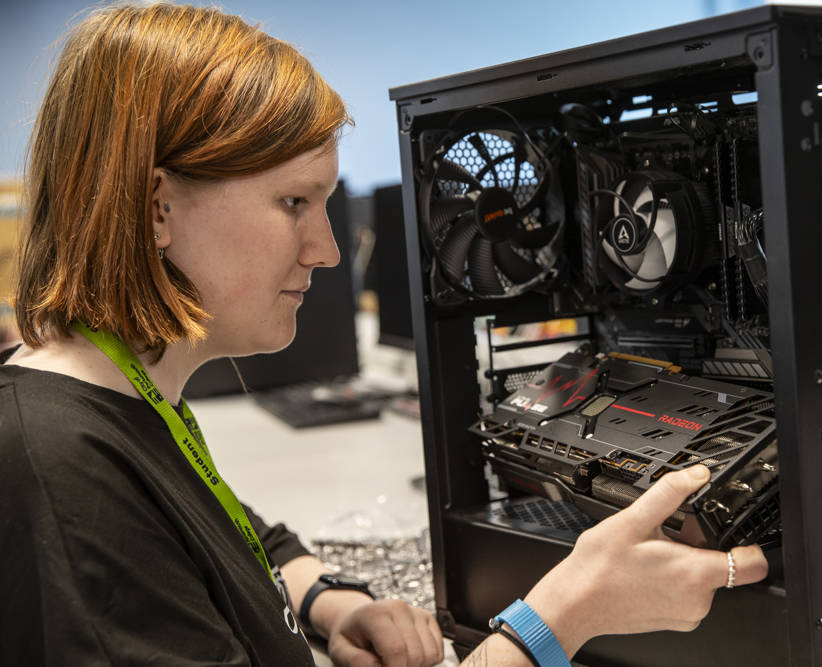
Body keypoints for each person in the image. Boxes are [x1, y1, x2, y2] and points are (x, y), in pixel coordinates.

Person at [0, 3, 768, 666]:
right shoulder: (62, 472)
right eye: (295, 202)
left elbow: (228, 534)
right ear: (156, 207)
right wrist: (562, 617)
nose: (328, 250)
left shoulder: (119, 400)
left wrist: (330, 602)